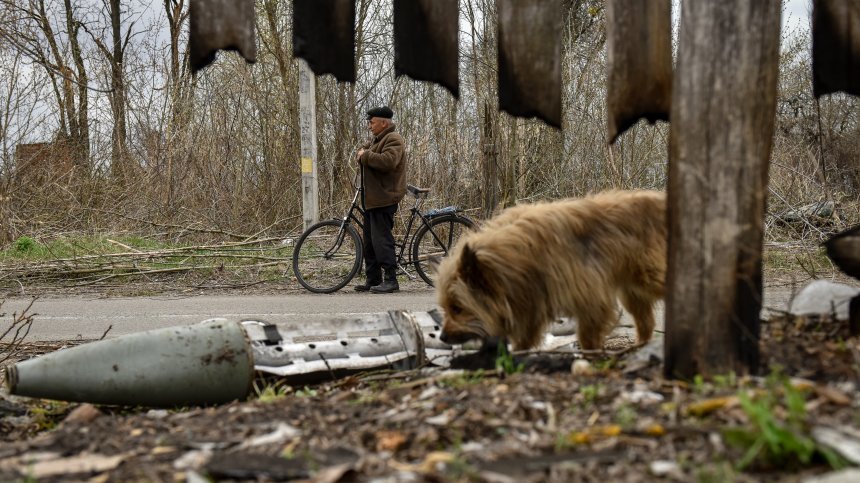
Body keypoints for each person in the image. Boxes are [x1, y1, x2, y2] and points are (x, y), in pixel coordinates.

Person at [354, 106, 407, 293]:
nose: (369, 126)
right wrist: (364, 153)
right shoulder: (379, 139)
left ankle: (391, 280)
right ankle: (373, 279)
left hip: (384, 198)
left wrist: (365, 155)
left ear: (384, 123)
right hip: (372, 199)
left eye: (372, 122)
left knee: (382, 240)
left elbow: (388, 161)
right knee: (369, 241)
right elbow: (369, 155)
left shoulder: (393, 139)